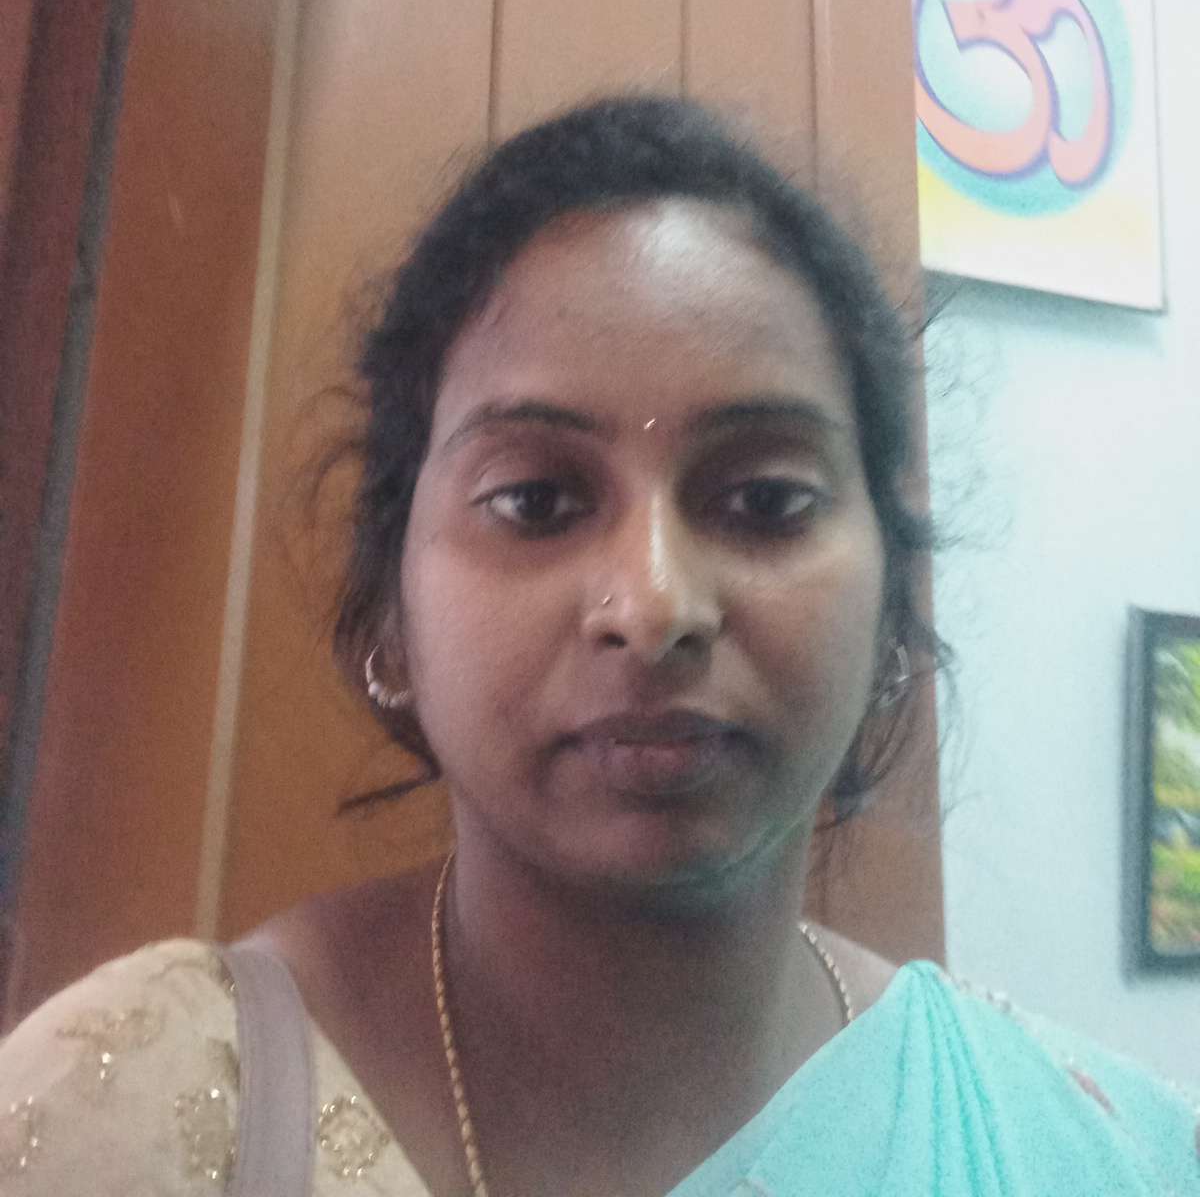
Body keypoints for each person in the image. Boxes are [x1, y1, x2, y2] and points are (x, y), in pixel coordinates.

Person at [0, 96, 1195, 1195]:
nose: (655, 602)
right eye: (536, 501)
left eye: (766, 500)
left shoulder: (1099, 1154)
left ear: (893, 615)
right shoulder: (138, 1108)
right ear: (390, 621)